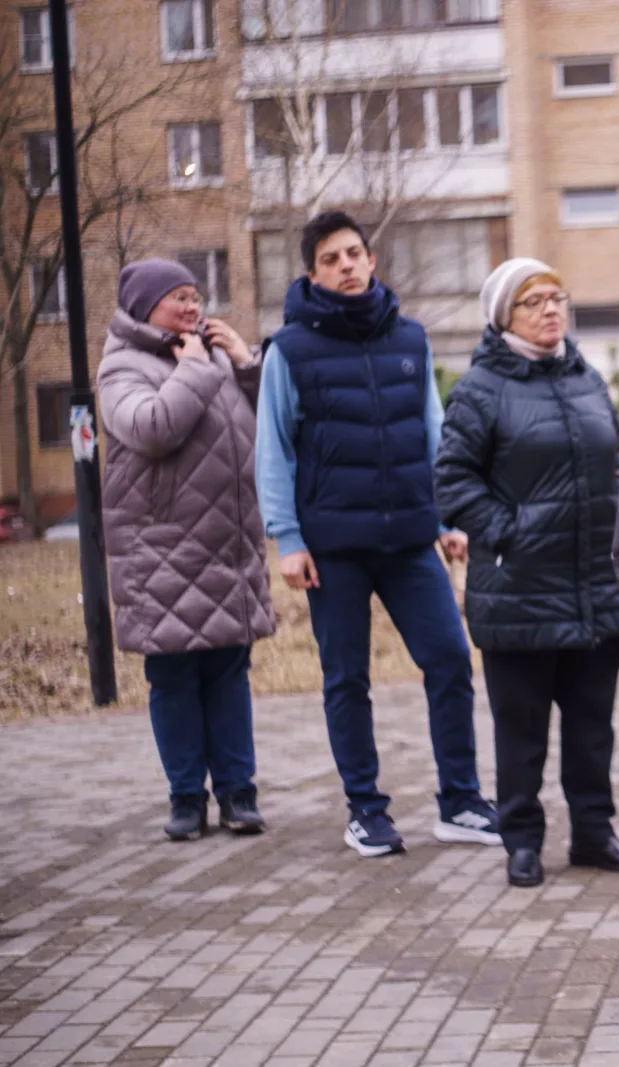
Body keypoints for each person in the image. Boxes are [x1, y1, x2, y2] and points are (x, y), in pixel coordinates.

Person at [255, 210, 500, 858]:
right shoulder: (289, 350)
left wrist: (448, 518)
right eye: (332, 258)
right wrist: (286, 539)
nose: (347, 265)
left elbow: (433, 432)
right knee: (348, 679)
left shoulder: (409, 339)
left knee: (449, 659)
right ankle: (366, 810)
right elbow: (272, 450)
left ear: (371, 261)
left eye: (355, 253)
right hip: (331, 547)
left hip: (408, 539)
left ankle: (461, 801)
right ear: (313, 273)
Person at [435, 257, 619, 889]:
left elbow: (614, 465)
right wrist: (510, 533)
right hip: (521, 589)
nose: (551, 309)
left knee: (592, 727)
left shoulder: (585, 376)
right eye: (534, 302)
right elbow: (451, 480)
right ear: (505, 316)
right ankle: (521, 840)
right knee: (521, 732)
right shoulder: (480, 388)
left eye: (557, 297)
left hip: (592, 585)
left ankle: (594, 834)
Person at [98, 259, 277, 841]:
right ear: (145, 306)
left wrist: (246, 365)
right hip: (162, 555)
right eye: (178, 297)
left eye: (195, 296)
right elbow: (151, 427)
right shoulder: (122, 368)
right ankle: (185, 798)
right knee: (174, 680)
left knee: (229, 673)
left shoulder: (210, 357)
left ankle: (238, 793)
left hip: (228, 547)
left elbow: (261, 426)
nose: (193, 307)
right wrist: (198, 370)